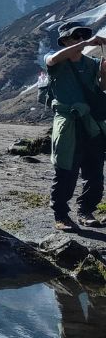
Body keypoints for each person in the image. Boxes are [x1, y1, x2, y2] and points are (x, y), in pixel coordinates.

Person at [44, 22, 106, 231]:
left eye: (83, 36)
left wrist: (105, 72)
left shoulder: (91, 64)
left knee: (95, 172)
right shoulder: (56, 62)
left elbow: (102, 87)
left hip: (91, 123)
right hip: (68, 123)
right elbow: (53, 59)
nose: (80, 40)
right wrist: (88, 42)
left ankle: (86, 210)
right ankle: (61, 215)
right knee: (66, 171)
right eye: (75, 37)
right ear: (65, 41)